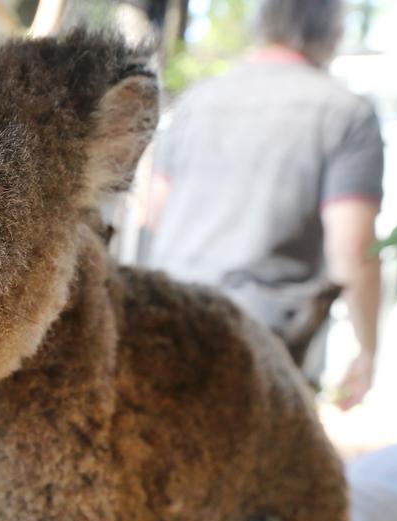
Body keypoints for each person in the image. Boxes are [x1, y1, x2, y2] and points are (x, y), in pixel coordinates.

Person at [139, 0, 383, 409]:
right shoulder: (347, 114)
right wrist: (367, 349)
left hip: (161, 321)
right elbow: (352, 250)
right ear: (335, 34)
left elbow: (151, 210)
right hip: (263, 344)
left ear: (261, 25)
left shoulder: (197, 101)